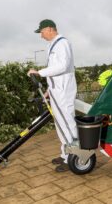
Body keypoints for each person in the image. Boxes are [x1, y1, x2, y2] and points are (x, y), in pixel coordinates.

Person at [27, 19, 77, 172]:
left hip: (63, 90)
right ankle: (65, 154)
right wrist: (49, 88)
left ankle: (74, 157)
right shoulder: (52, 45)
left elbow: (62, 66)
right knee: (60, 123)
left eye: (41, 32)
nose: (41, 36)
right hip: (56, 89)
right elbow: (55, 70)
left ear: (50, 29)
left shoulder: (62, 43)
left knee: (67, 123)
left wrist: (39, 72)